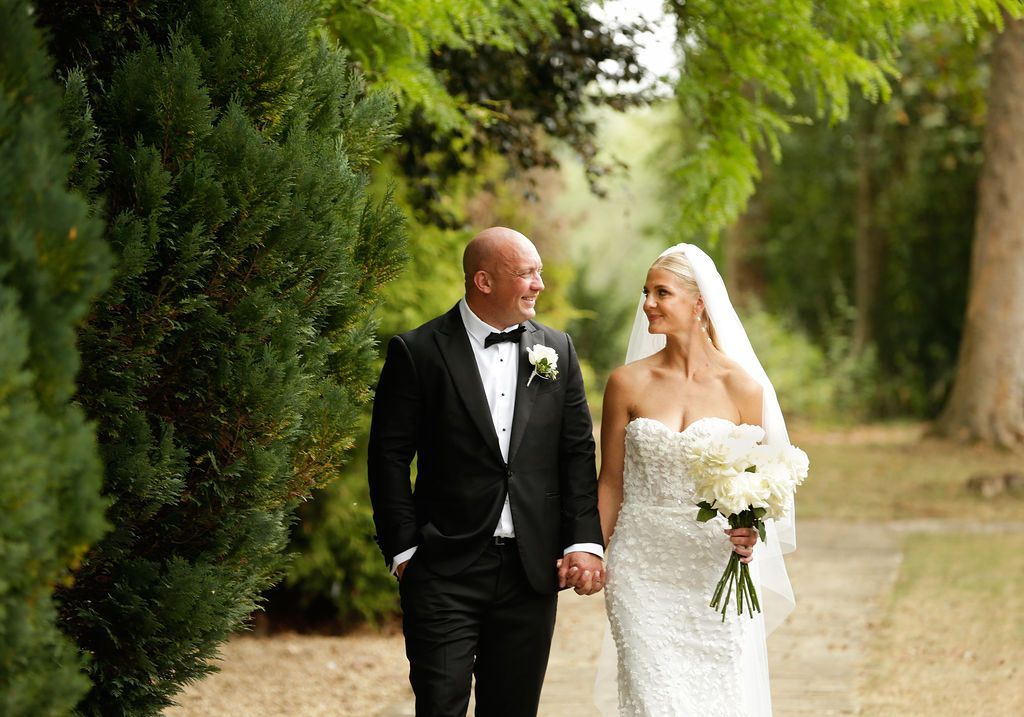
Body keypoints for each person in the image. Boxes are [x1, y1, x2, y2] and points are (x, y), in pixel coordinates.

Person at [367, 227, 605, 717]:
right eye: (526, 273)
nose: (539, 284)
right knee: (440, 705)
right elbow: (388, 458)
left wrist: (582, 541)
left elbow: (577, 454)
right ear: (484, 281)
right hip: (443, 567)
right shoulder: (418, 351)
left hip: (530, 571)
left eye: (539, 272)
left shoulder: (557, 349)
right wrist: (404, 550)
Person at [597, 244, 797, 716]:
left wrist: (751, 530)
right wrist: (589, 551)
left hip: (712, 567)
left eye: (661, 293)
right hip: (639, 567)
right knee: (653, 701)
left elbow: (759, 483)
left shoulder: (743, 388)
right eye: (646, 292)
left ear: (699, 302)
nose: (648, 303)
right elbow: (610, 483)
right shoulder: (626, 383)